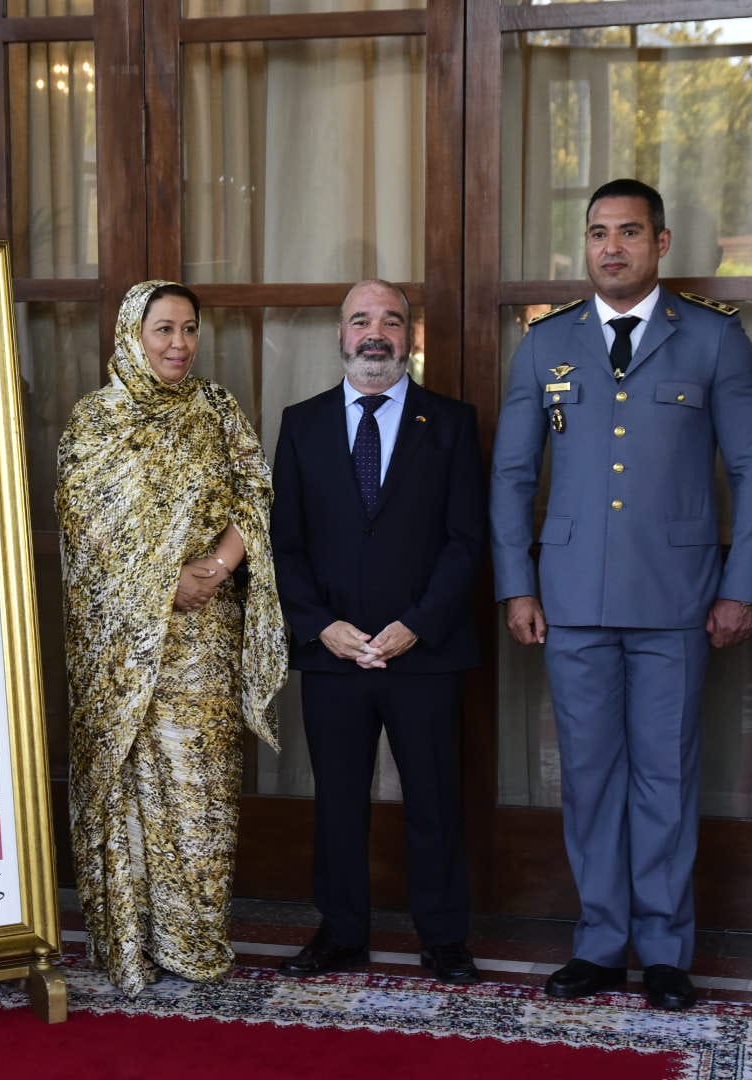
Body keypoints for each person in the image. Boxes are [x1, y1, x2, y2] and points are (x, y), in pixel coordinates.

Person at [489, 179, 752, 1009]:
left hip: (678, 599)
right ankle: (599, 941)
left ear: (662, 242)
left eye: (628, 232)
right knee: (586, 776)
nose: (611, 247)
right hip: (571, 597)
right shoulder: (546, 345)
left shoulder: (716, 342)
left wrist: (741, 586)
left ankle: (664, 949)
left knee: (666, 776)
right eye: (597, 234)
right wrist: (517, 584)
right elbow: (512, 476)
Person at [56, 280, 286, 997]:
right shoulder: (94, 423)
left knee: (200, 790)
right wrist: (161, 584)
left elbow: (257, 493)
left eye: (189, 330)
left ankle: (194, 938)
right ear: (132, 333)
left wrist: (214, 569)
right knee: (127, 787)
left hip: (204, 634)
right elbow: (85, 533)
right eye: (164, 330)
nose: (179, 345)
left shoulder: (217, 410)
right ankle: (130, 939)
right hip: (122, 647)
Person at [271, 279, 484, 985]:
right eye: (361, 319)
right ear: (339, 335)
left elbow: (465, 541)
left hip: (423, 652)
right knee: (336, 801)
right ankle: (341, 932)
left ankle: (444, 938)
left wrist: (416, 626)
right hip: (333, 654)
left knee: (434, 802)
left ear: (409, 337)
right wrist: (321, 626)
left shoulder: (451, 422)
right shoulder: (300, 425)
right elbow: (285, 544)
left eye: (391, 320)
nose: (376, 332)